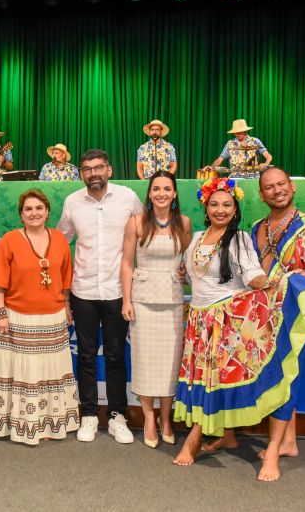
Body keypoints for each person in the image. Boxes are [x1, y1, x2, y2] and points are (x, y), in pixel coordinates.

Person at [172, 177, 305, 482]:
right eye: (214, 204)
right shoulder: (207, 236)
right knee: (214, 379)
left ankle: (261, 448)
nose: (220, 209)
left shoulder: (243, 237)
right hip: (201, 322)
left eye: (227, 204)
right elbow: (191, 271)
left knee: (273, 374)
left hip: (237, 318)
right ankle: (227, 436)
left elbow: (253, 272)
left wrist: (274, 283)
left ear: (236, 207)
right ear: (205, 206)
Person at [57, 148, 143, 444]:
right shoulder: (72, 202)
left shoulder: (128, 197)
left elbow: (145, 237)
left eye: (98, 168)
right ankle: (90, 414)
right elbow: (60, 241)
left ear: (109, 170)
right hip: (84, 292)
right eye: (86, 169)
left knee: (117, 356)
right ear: (81, 173)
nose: (93, 173)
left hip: (119, 292)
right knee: (86, 356)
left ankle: (118, 415)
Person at [0, 189, 79, 445]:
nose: (34, 213)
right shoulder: (9, 241)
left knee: (50, 373)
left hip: (53, 318)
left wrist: (67, 306)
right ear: (21, 215)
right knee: (25, 374)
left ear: (48, 212)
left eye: (39, 208)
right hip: (18, 319)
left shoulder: (59, 240)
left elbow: (65, 280)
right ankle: (21, 424)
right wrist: (0, 314)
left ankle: (49, 423)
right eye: (28, 209)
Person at [121, 171, 191, 448]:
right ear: (149, 194)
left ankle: (166, 418)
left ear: (174, 194)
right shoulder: (136, 222)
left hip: (173, 300)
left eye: (167, 189)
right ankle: (149, 418)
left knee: (170, 364)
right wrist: (126, 300)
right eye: (156, 189)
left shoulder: (183, 223)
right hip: (143, 301)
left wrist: (186, 271)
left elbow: (187, 260)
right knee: (145, 362)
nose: (161, 193)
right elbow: (127, 263)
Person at [205, 119, 274, 179]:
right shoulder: (230, 144)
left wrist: (266, 163)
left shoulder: (255, 141)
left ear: (245, 131)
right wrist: (211, 167)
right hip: (235, 179)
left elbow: (268, 156)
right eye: (236, 132)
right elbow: (220, 159)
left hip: (253, 178)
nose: (238, 134)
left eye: (240, 131)